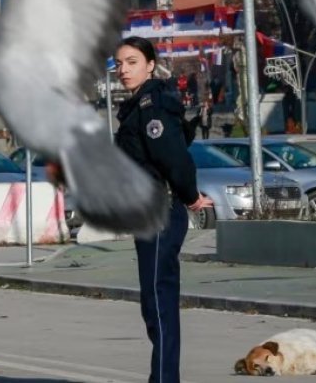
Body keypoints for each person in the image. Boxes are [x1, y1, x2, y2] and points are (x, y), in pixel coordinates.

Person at [114, 36, 213, 383]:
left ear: (151, 64)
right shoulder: (138, 105)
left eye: (132, 62)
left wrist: (190, 196)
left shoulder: (151, 106)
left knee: (158, 300)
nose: (123, 70)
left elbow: (172, 157)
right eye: (120, 64)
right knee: (154, 301)